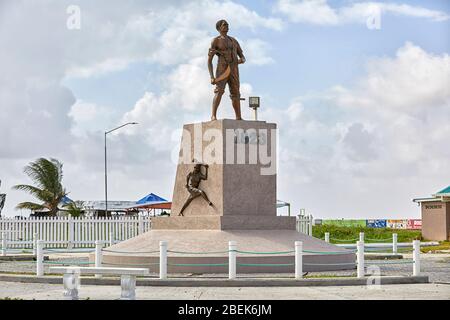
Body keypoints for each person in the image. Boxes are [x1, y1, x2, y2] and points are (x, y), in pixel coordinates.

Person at [208, 19, 246, 121]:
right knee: (219, 91)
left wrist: (239, 61)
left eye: (227, 24)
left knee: (236, 93)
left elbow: (243, 57)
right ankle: (213, 115)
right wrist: (212, 76)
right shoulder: (216, 41)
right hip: (222, 69)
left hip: (234, 69)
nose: (227, 26)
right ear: (219, 28)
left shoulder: (234, 41)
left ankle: (238, 117)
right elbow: (209, 61)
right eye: (224, 25)